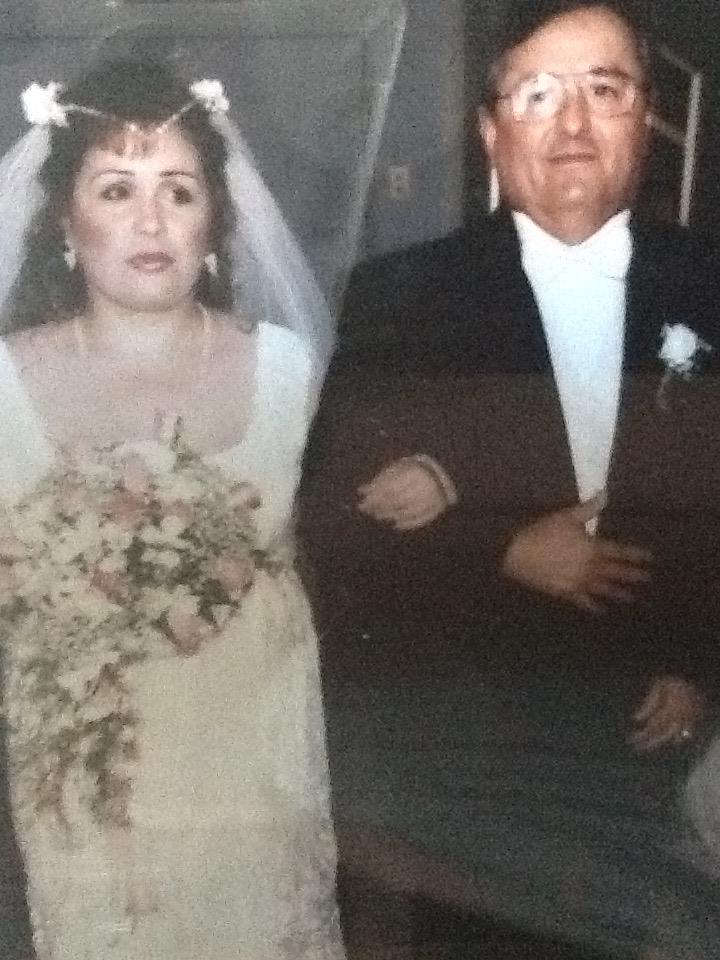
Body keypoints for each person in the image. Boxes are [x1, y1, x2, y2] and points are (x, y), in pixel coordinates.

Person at [302, 0, 720, 955]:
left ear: (646, 121)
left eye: (603, 90)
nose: (572, 123)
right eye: (537, 94)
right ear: (491, 132)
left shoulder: (710, 287)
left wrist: (699, 666)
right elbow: (329, 518)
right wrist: (500, 547)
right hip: (465, 761)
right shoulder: (403, 297)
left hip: (652, 745)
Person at [0, 56, 346, 960]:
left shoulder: (288, 371)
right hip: (89, 783)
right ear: (66, 220)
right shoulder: (2, 387)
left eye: (179, 192)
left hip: (252, 773)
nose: (151, 222)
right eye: (117, 190)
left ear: (215, 222)